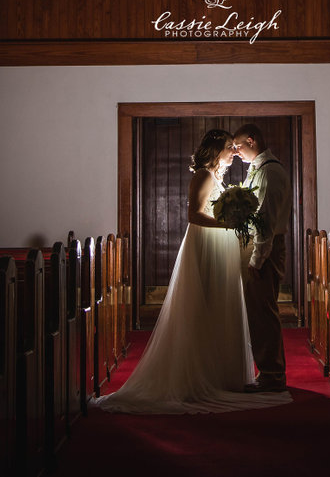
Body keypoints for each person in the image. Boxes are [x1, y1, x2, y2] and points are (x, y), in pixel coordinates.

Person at [95, 128, 291, 414]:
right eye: (229, 147)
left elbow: (263, 216)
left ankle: (228, 372)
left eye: (235, 146)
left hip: (222, 248)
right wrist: (229, 224)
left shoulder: (243, 174)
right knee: (205, 308)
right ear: (216, 150)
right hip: (206, 246)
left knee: (227, 309)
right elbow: (194, 215)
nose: (234, 152)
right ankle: (204, 374)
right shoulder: (204, 175)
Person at [233, 123, 292, 393]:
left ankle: (272, 375)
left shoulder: (270, 172)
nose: (236, 152)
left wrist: (257, 260)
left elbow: (266, 222)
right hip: (260, 247)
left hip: (266, 249)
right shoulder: (258, 168)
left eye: (238, 146)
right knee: (257, 311)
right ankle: (268, 372)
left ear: (251, 140)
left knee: (263, 312)